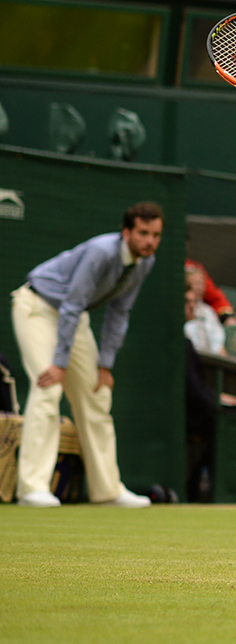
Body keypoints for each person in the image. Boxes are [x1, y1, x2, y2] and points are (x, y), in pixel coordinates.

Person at [12, 202, 164, 508]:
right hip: (38, 308)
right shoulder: (101, 251)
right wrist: (60, 363)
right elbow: (72, 303)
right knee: (48, 387)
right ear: (126, 232)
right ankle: (32, 488)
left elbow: (119, 312)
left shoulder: (145, 262)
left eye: (156, 235)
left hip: (72, 317)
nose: (150, 241)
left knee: (97, 394)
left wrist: (105, 365)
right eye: (143, 233)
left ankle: (107, 490)